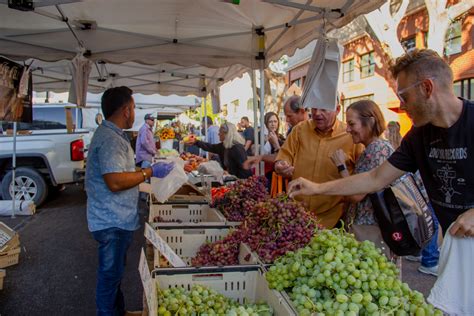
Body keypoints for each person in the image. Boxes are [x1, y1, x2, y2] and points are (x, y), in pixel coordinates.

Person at [288, 49, 473, 284]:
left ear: (427, 88)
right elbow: (375, 178)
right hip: (456, 247)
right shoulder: (418, 136)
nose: (401, 105)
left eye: (404, 96)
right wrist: (316, 188)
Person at [85, 86, 174, 315]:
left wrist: (142, 172)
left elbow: (121, 171)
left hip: (114, 219)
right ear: (126, 110)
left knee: (113, 276)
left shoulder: (112, 134)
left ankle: (118, 312)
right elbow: (114, 181)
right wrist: (148, 173)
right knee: (109, 278)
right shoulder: (110, 139)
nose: (134, 113)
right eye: (133, 108)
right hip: (111, 221)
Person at [275, 97, 363, 228]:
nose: (317, 113)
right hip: (297, 215)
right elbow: (284, 156)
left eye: (323, 109)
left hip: (333, 218)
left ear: (337, 109)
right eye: (314, 108)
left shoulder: (351, 135)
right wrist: (280, 165)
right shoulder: (299, 130)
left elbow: (360, 180)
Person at [243, 96, 308, 170]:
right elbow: (285, 156)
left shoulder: (308, 132)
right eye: (270, 122)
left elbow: (286, 158)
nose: (287, 120)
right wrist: (259, 156)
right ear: (266, 123)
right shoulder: (292, 131)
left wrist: (276, 145)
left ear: (302, 112)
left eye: (289, 116)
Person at [186, 122, 252, 179]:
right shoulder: (224, 146)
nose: (218, 134)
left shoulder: (237, 148)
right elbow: (211, 147)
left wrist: (233, 177)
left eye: (220, 132)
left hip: (238, 182)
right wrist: (196, 142)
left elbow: (245, 170)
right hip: (230, 180)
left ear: (226, 134)